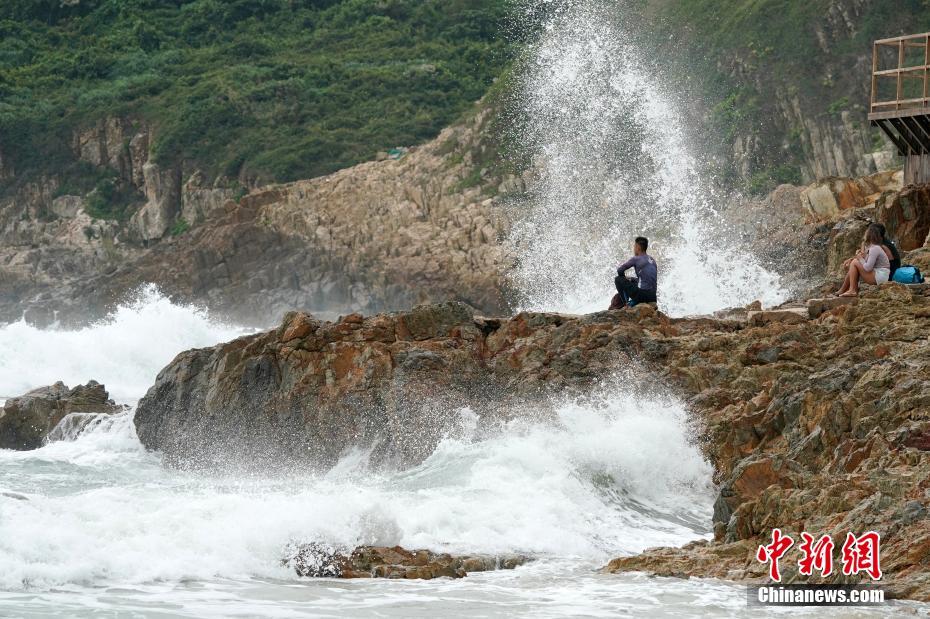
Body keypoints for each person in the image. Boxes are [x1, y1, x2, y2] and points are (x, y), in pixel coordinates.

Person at [836, 225, 890, 297]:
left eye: (866, 232)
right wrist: (859, 257)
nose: (865, 234)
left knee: (855, 262)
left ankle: (852, 290)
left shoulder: (875, 248)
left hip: (880, 276)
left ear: (870, 235)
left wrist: (859, 258)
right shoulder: (872, 247)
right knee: (854, 262)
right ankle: (845, 290)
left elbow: (868, 268)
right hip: (879, 275)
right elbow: (865, 263)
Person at [613, 236, 658, 307]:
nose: (634, 248)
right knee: (632, 280)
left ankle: (625, 304)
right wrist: (631, 279)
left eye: (634, 246)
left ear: (638, 247)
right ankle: (644, 302)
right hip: (653, 297)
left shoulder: (636, 259)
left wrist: (624, 277)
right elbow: (647, 280)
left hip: (642, 295)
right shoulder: (652, 260)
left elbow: (620, 270)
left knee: (618, 279)